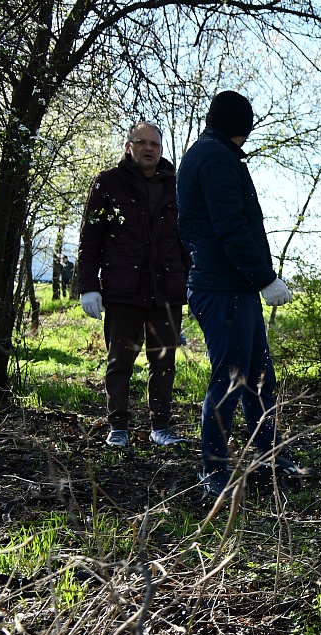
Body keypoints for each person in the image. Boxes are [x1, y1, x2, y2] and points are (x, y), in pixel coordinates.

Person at [176, 90, 312, 499]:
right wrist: (264, 278)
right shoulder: (215, 158)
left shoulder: (211, 154)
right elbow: (230, 226)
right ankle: (214, 471)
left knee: (257, 378)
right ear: (243, 126)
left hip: (233, 287)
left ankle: (268, 454)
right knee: (232, 380)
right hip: (223, 288)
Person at [75, 122, 191, 449]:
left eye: (154, 144)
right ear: (129, 146)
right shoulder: (108, 183)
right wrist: (88, 286)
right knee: (120, 360)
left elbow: (185, 241)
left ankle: (161, 426)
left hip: (166, 290)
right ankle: (119, 426)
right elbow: (90, 237)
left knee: (164, 361)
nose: (149, 149)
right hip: (122, 287)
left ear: (162, 149)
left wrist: (193, 284)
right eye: (142, 142)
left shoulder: (176, 187)